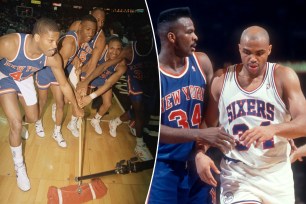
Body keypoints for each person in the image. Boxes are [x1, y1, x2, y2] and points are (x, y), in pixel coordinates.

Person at [205, 25, 306, 203]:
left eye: (259, 53)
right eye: (246, 52)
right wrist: (200, 153)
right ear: (239, 48)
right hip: (238, 175)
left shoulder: (283, 77)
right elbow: (206, 126)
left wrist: (274, 129)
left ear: (269, 50)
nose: (252, 59)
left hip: (276, 174)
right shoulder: (221, 80)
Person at [147, 7, 235, 204]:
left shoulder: (202, 62)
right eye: (188, 32)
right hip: (163, 167)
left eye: (194, 31)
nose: (195, 37)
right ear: (171, 36)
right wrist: (199, 135)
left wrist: (199, 151)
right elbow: (152, 130)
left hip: (198, 162)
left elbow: (210, 114)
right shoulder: (153, 76)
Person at [0, 18, 84, 191]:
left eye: (57, 40)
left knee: (33, 117)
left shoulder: (52, 58)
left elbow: (64, 84)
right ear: (37, 37)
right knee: (15, 123)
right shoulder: (10, 44)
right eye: (51, 41)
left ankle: (20, 124)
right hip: (4, 77)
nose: (55, 46)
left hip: (24, 79)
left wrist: (75, 106)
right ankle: (19, 167)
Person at [34, 15, 97, 143]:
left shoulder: (77, 40)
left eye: (93, 31)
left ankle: (56, 132)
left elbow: (63, 56)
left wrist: (75, 59)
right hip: (46, 72)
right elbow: (60, 69)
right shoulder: (70, 43)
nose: (91, 33)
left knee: (60, 103)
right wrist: (74, 90)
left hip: (58, 72)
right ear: (80, 27)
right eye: (88, 29)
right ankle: (38, 122)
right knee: (43, 101)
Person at [78, 36, 127, 134]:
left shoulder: (121, 65)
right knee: (80, 101)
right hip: (90, 75)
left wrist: (91, 97)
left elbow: (109, 83)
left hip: (103, 80)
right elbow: (96, 66)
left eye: (118, 49)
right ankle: (74, 120)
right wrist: (82, 78)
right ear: (107, 47)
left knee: (107, 103)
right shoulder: (101, 51)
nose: (114, 52)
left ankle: (95, 120)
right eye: (112, 48)